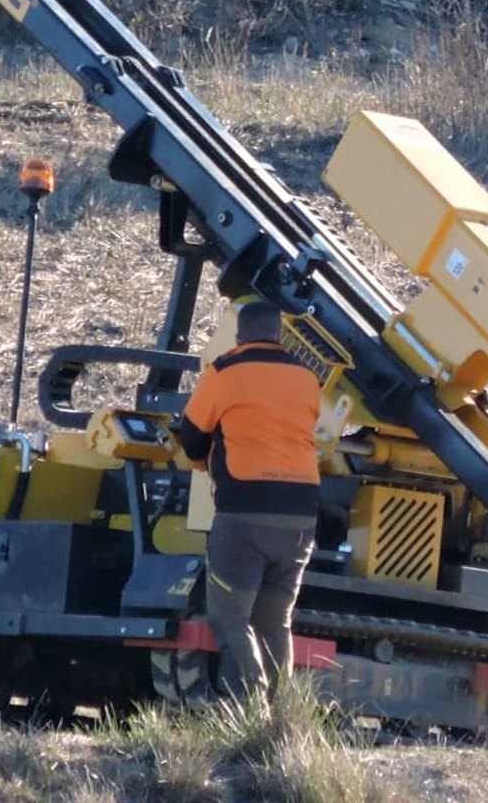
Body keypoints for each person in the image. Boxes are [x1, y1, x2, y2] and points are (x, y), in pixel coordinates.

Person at [173, 299, 323, 700]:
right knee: (276, 620)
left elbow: (191, 433)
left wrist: (201, 462)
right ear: (280, 335)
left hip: (244, 516)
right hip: (301, 517)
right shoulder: (307, 377)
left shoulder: (225, 372)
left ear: (239, 335)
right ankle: (282, 709)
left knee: (229, 615)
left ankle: (253, 701)